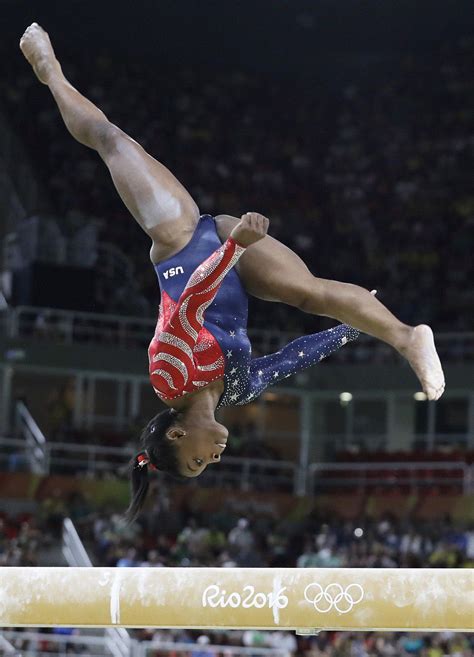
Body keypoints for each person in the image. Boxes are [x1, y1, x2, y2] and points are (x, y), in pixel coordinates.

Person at [20, 24, 445, 517]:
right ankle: (406, 336)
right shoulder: (239, 389)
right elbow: (293, 357)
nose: (215, 457)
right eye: (209, 465)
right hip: (236, 262)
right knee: (308, 293)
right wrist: (354, 328)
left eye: (198, 460)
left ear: (177, 433)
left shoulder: (169, 375)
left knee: (111, 140)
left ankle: (48, 70)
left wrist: (233, 249)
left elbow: (191, 304)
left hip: (182, 244)